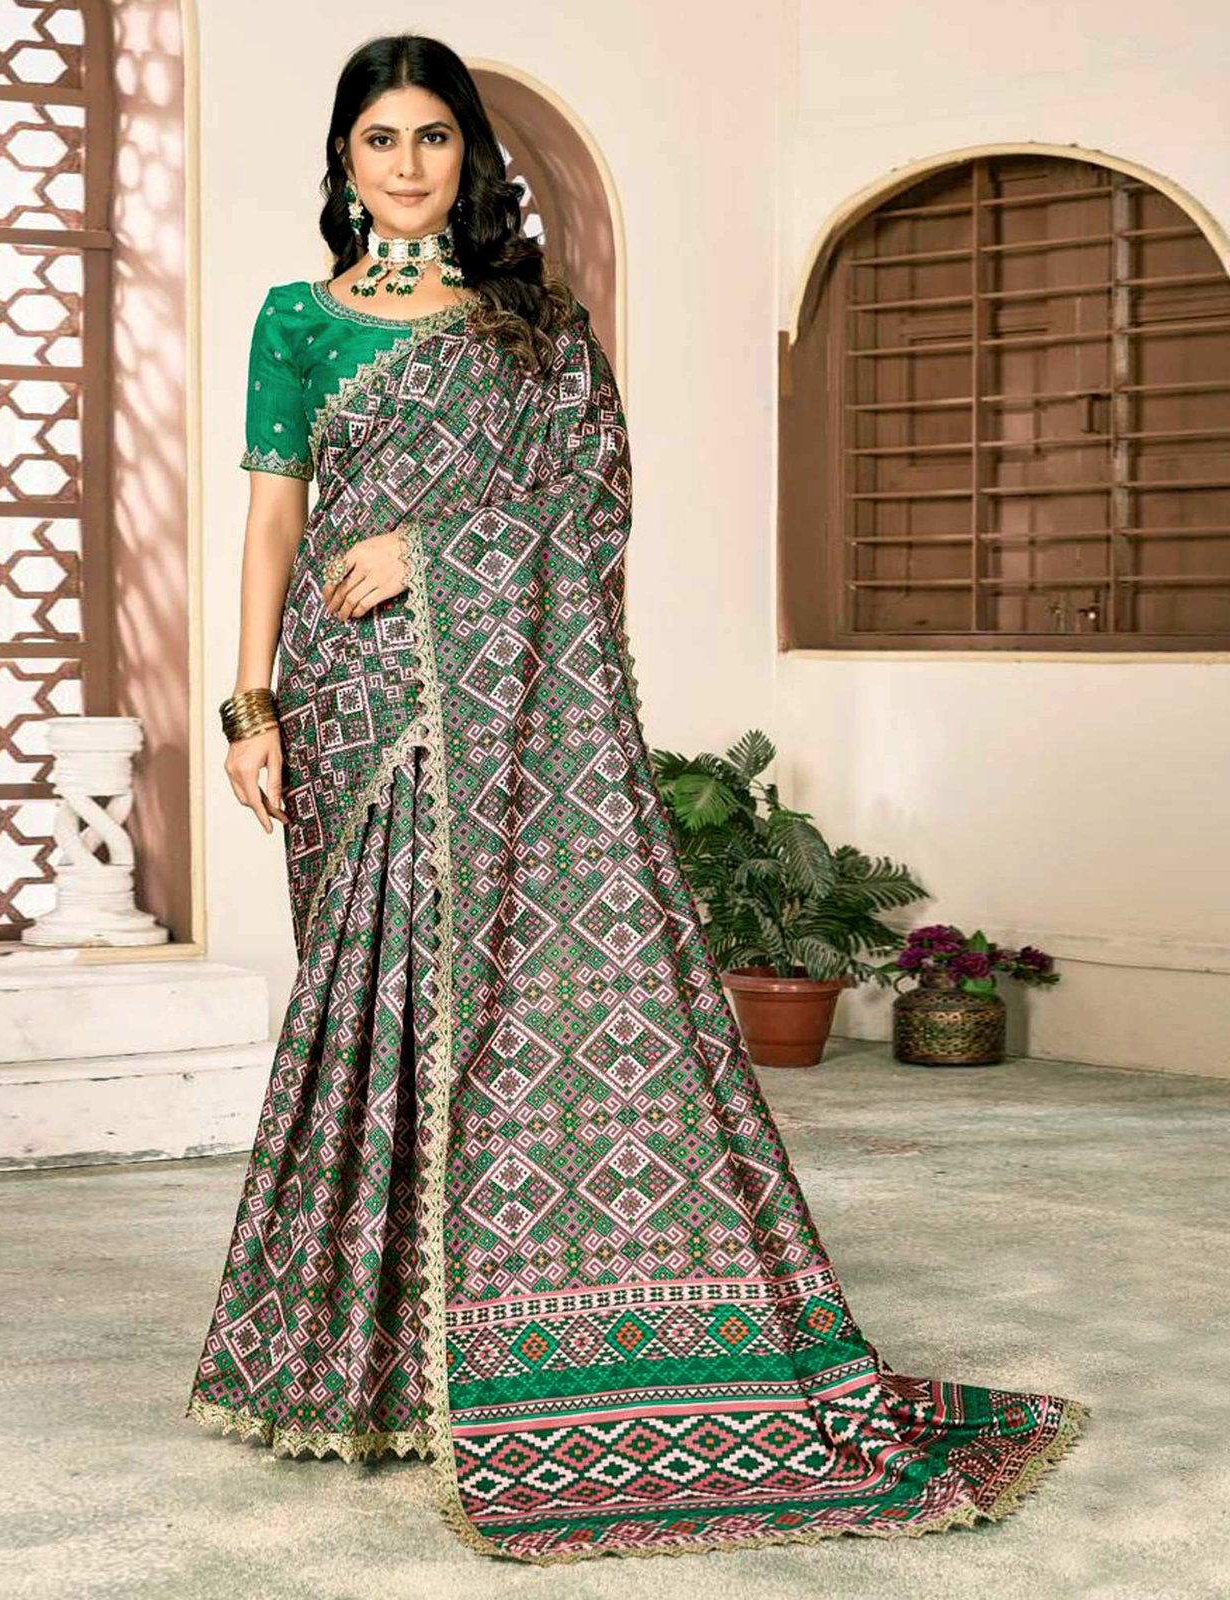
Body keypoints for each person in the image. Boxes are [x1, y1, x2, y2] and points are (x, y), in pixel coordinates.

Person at [187, 31, 1089, 1566]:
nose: (406, 165)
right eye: (379, 139)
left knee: (496, 1000)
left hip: (498, 700)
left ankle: (518, 1345)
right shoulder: (296, 319)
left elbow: (593, 508)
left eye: (432, 138)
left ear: (470, 158)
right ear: (343, 159)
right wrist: (250, 700)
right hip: (349, 703)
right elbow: (274, 515)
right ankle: (367, 1367)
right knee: (371, 1006)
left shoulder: (537, 328)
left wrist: (431, 552)